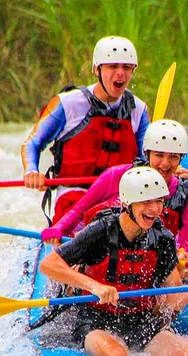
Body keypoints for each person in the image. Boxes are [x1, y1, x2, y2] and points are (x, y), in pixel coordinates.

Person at [39, 167, 188, 356]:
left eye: (159, 201)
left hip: (142, 321)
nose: (155, 209)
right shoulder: (101, 230)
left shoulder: (163, 239)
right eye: (146, 202)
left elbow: (171, 300)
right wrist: (94, 286)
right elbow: (49, 264)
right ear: (127, 203)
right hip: (95, 319)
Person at [22, 36, 149, 223]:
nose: (120, 73)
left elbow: (146, 160)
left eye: (126, 67)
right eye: (113, 67)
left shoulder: (139, 110)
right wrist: (32, 171)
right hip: (74, 195)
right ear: (96, 69)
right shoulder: (67, 104)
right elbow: (32, 143)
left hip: (118, 197)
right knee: (89, 225)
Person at [40, 120, 188, 252]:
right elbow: (79, 211)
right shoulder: (116, 176)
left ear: (181, 158)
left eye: (173, 157)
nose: (165, 163)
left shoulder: (185, 195)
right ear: (147, 154)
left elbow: (182, 242)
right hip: (104, 251)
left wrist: (181, 254)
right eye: (159, 155)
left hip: (146, 260)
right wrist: (58, 229)